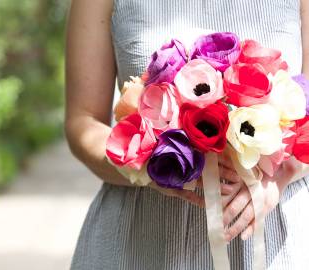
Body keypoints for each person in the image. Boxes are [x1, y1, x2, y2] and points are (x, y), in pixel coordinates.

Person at [65, 0, 309, 269]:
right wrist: (152, 168)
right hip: (142, 236)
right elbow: (83, 120)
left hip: (270, 226)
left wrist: (279, 175)